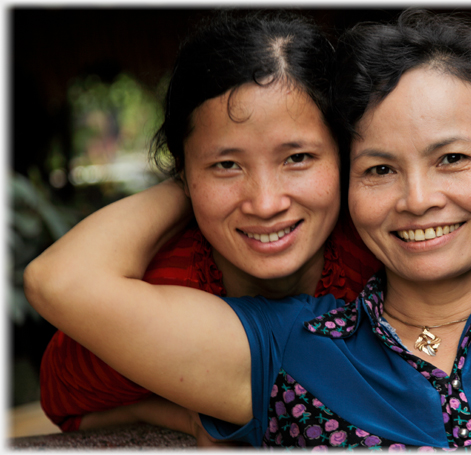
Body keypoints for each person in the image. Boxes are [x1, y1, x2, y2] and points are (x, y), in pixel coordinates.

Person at [25, 9, 471, 449]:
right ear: (347, 183)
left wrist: (421, 81)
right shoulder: (286, 349)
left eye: (453, 157)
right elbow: (63, 281)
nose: (418, 199)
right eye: (379, 167)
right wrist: (199, 174)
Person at [38, 10, 379, 440]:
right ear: (181, 170)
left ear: (345, 154)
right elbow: (66, 407)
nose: (266, 203)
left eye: (298, 158)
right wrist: (182, 414)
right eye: (226, 164)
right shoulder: (156, 291)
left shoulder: (379, 249)